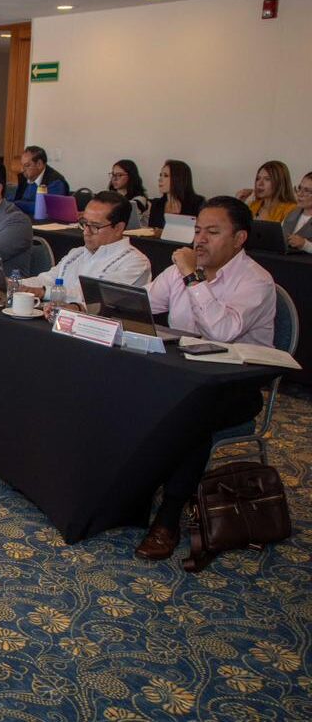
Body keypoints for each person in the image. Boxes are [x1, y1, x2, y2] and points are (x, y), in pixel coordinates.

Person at [137, 197, 277, 561]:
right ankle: (129, 492)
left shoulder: (256, 281)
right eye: (198, 230)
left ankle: (168, 518)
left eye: (212, 232)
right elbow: (141, 304)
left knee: (192, 416)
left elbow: (222, 331)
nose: (199, 240)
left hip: (236, 386)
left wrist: (192, 277)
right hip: (184, 375)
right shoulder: (181, 270)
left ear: (239, 239)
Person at [20, 191, 151, 312]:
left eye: (95, 226)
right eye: (84, 223)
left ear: (118, 228)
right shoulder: (77, 253)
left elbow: (95, 298)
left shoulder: (135, 262)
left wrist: (44, 292)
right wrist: (18, 285)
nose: (86, 232)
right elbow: (47, 279)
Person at [10, 146, 70, 215]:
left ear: (39, 164)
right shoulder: (24, 177)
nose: (22, 170)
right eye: (22, 165)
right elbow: (16, 199)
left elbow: (47, 208)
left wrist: (17, 204)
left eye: (26, 165)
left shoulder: (56, 182)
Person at [148, 160, 204, 229]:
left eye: (166, 176)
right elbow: (151, 231)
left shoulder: (197, 204)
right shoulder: (157, 204)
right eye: (160, 175)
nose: (160, 179)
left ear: (179, 179)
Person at [107, 159, 150, 228]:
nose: (114, 178)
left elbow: (126, 221)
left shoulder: (139, 199)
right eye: (113, 174)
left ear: (130, 176)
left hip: (134, 233)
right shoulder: (109, 196)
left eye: (119, 175)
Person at [282, 171, 312, 254]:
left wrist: (305, 245)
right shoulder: (292, 213)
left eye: (306, 190)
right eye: (299, 188)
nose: (299, 194)